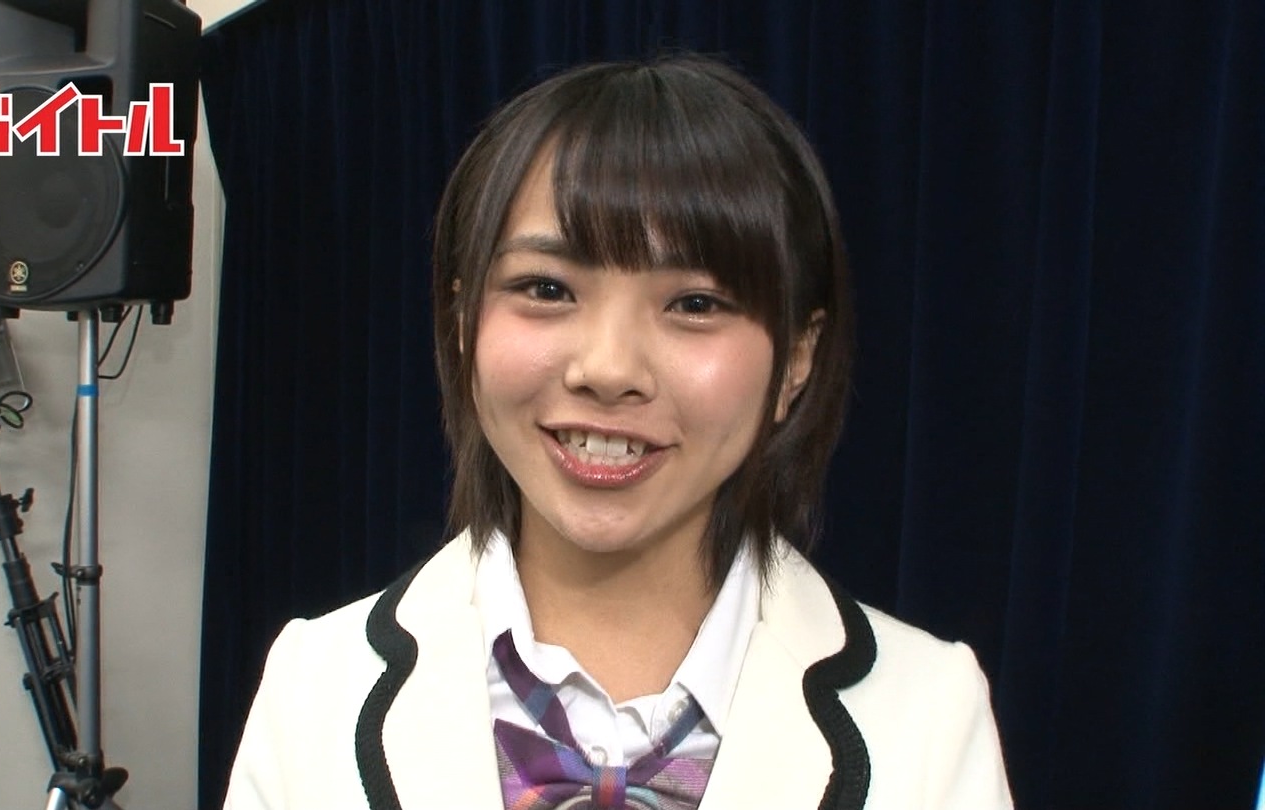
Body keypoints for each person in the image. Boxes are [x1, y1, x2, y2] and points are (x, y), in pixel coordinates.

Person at [224, 53, 1013, 810]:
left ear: (798, 359)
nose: (607, 368)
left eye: (695, 304)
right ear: (462, 321)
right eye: (546, 288)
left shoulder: (925, 714)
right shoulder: (315, 689)